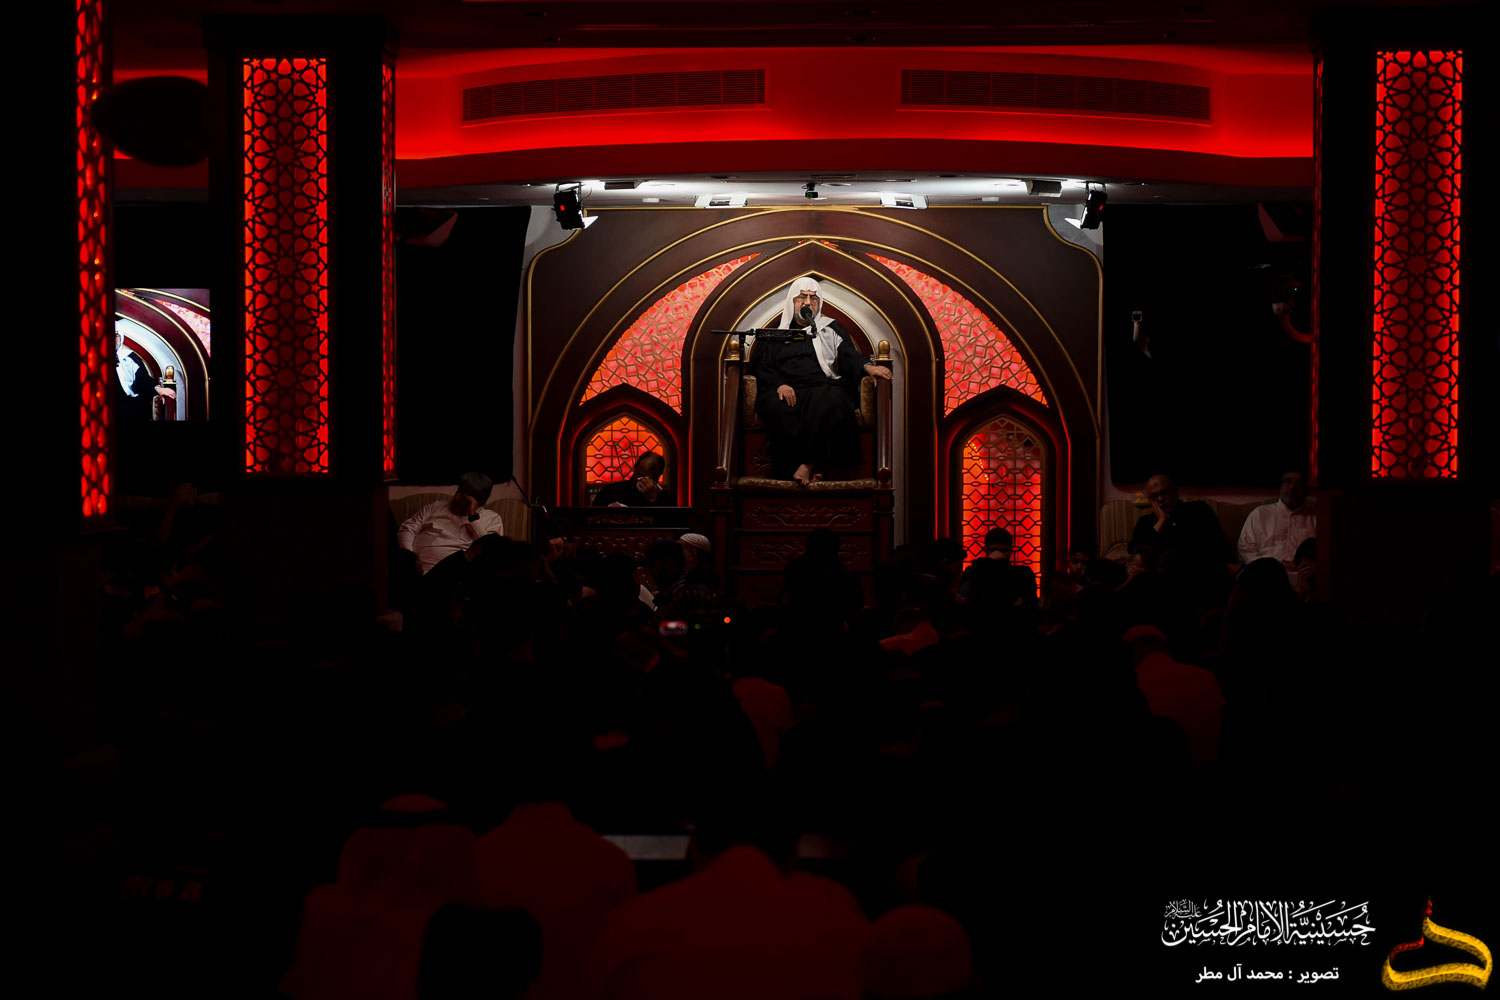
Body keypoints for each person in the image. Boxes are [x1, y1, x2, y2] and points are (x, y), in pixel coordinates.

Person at [749, 276, 892, 486]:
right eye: (802, 297)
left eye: (813, 298)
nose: (808, 303)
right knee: (775, 405)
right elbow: (763, 366)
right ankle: (805, 469)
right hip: (786, 387)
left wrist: (869, 368)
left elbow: (848, 355)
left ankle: (807, 465)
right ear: (792, 301)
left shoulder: (828, 328)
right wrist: (780, 384)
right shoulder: (775, 333)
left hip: (820, 386)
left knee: (830, 399)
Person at [397, 472, 505, 576]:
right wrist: (409, 557)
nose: (456, 497)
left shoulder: (492, 519)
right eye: (458, 491)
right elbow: (408, 528)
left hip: (451, 577)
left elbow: (490, 552)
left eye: (463, 497)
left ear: (479, 502)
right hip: (412, 572)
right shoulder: (437, 506)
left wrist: (472, 518)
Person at [1128, 474, 1227, 569]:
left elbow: (1215, 544)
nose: (1160, 499)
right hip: (1156, 573)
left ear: (1175, 492)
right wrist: (1161, 521)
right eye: (1154, 496)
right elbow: (1134, 552)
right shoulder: (1145, 522)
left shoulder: (1198, 509)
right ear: (1150, 501)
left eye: (1164, 492)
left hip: (1196, 568)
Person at [1237, 468, 1316, 567]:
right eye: (1288, 481)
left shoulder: (1316, 518)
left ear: (1306, 489)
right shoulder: (1260, 514)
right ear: (1281, 486)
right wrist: (1272, 567)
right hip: (1265, 571)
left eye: (1298, 483)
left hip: (1303, 573)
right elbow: (1246, 550)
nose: (1292, 487)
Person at [115, 328, 174, 421]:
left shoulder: (129, 356)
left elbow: (142, 378)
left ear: (121, 338)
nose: (115, 339)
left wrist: (158, 389)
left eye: (117, 336)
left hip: (130, 404)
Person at [593, 451, 671, 507]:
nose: (644, 481)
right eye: (640, 476)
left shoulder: (665, 498)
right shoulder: (610, 490)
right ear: (635, 468)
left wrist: (653, 499)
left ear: (660, 474)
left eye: (650, 479)